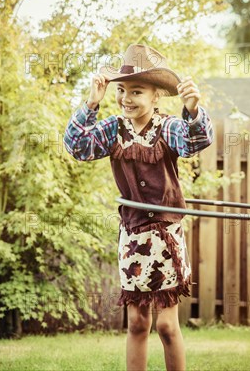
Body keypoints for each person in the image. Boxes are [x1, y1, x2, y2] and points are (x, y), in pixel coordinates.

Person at [63, 44, 214, 371]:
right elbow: (77, 146)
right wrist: (91, 102)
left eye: (136, 91)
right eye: (121, 90)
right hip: (132, 237)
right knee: (136, 323)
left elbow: (194, 143)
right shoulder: (112, 129)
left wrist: (193, 110)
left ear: (156, 95)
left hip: (165, 237)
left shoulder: (168, 127)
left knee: (166, 325)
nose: (126, 98)